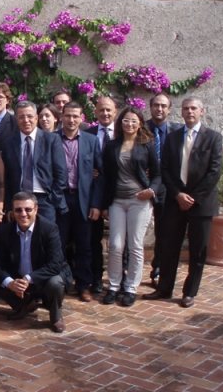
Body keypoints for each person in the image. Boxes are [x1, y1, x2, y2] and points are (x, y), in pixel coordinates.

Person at [144, 97, 223, 308]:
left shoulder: (213, 138)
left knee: (198, 250)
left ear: (202, 111)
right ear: (181, 112)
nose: (189, 112)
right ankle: (164, 288)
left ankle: (190, 292)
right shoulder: (173, 137)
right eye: (186, 108)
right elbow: (165, 169)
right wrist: (178, 194)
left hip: (201, 203)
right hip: (175, 201)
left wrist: (193, 197)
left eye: (194, 108)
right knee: (169, 246)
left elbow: (214, 171)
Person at [101, 107, 161, 307]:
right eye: (126, 120)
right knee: (116, 245)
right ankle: (114, 286)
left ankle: (130, 288)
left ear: (140, 123)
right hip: (117, 201)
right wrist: (103, 204)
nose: (129, 124)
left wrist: (151, 191)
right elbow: (106, 176)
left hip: (139, 201)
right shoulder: (111, 145)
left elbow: (157, 174)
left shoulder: (146, 145)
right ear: (120, 123)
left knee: (135, 245)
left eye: (134, 121)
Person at [0, 192, 71, 333]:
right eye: (18, 210)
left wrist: (29, 279)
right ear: (13, 212)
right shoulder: (5, 231)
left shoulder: (49, 229)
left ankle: (55, 315)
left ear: (36, 209)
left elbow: (55, 264)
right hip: (18, 279)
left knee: (55, 282)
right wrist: (10, 283)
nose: (23, 214)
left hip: (43, 278)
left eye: (28, 209)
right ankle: (23, 306)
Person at [55, 102, 103, 302]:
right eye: (68, 116)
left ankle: (84, 285)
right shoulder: (52, 139)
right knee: (58, 245)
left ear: (82, 118)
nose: (71, 120)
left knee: (84, 245)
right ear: (62, 117)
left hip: (83, 200)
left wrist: (96, 204)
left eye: (75, 116)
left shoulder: (91, 141)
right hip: (60, 198)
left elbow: (100, 175)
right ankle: (61, 284)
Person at [2, 100, 68, 223]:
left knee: (45, 234)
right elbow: (7, 177)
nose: (26, 120)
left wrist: (52, 198)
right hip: (19, 199)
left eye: (30, 116)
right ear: (16, 119)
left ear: (36, 118)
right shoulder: (9, 143)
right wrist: (9, 205)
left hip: (44, 199)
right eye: (21, 117)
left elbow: (61, 174)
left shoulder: (51, 140)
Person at [145, 93, 182, 286]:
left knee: (164, 230)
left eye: (163, 106)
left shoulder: (178, 131)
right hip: (142, 185)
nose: (159, 109)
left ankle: (158, 269)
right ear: (150, 107)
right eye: (156, 105)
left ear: (169, 109)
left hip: (167, 187)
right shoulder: (140, 128)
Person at [86, 96, 118, 291]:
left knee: (120, 242)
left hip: (119, 195)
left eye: (108, 110)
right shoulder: (87, 134)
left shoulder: (124, 133)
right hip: (94, 197)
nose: (105, 113)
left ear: (115, 111)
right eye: (101, 110)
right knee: (93, 240)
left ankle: (120, 280)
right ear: (95, 112)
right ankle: (96, 279)